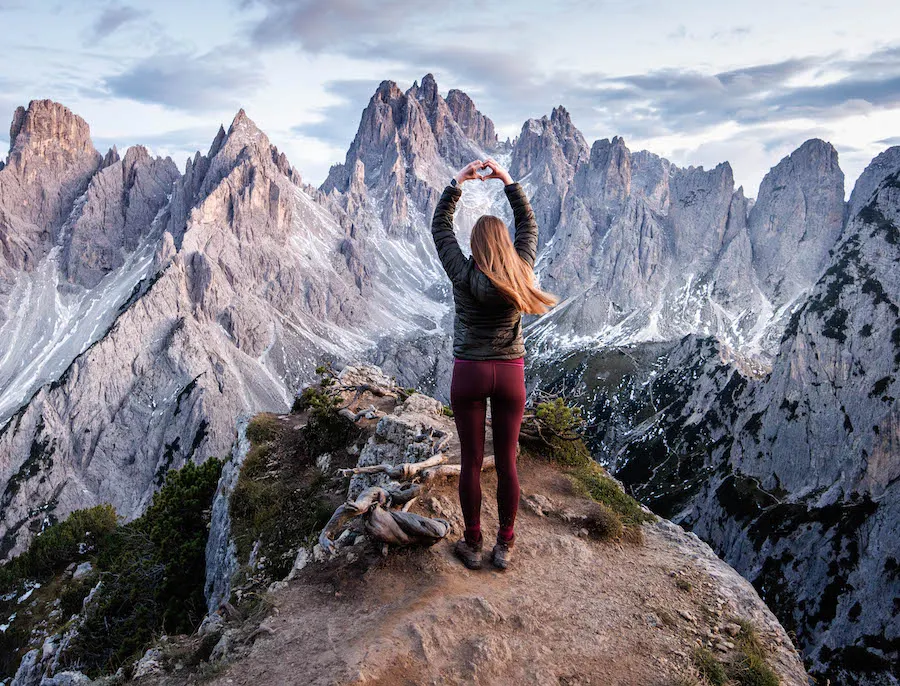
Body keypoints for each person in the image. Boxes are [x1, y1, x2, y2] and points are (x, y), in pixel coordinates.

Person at [430, 158, 557, 571]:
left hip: (469, 371)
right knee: (507, 462)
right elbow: (528, 226)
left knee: (470, 461)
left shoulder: (462, 273)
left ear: (475, 245)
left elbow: (440, 228)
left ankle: (472, 543)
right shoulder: (521, 270)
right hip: (510, 373)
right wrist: (507, 180)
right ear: (504, 244)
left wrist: (458, 182)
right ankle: (505, 544)